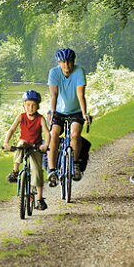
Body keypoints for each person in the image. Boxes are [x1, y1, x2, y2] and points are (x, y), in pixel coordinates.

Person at [46, 47, 91, 187]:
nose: (67, 65)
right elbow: (53, 95)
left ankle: (75, 164)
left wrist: (84, 113)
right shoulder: (54, 72)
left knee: (75, 134)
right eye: (63, 62)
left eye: (70, 62)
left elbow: (80, 95)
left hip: (76, 110)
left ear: (73, 62)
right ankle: (52, 170)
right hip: (58, 110)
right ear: (59, 63)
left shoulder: (79, 71)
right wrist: (52, 112)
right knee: (54, 134)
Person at [3, 90, 51, 211]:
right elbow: (11, 130)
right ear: (24, 105)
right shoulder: (21, 117)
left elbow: (47, 132)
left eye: (33, 105)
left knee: (37, 171)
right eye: (28, 105)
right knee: (21, 143)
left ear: (38, 106)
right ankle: (15, 171)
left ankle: (39, 199)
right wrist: (6, 142)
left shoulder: (40, 118)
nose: (30, 108)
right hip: (24, 144)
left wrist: (46, 145)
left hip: (36, 146)